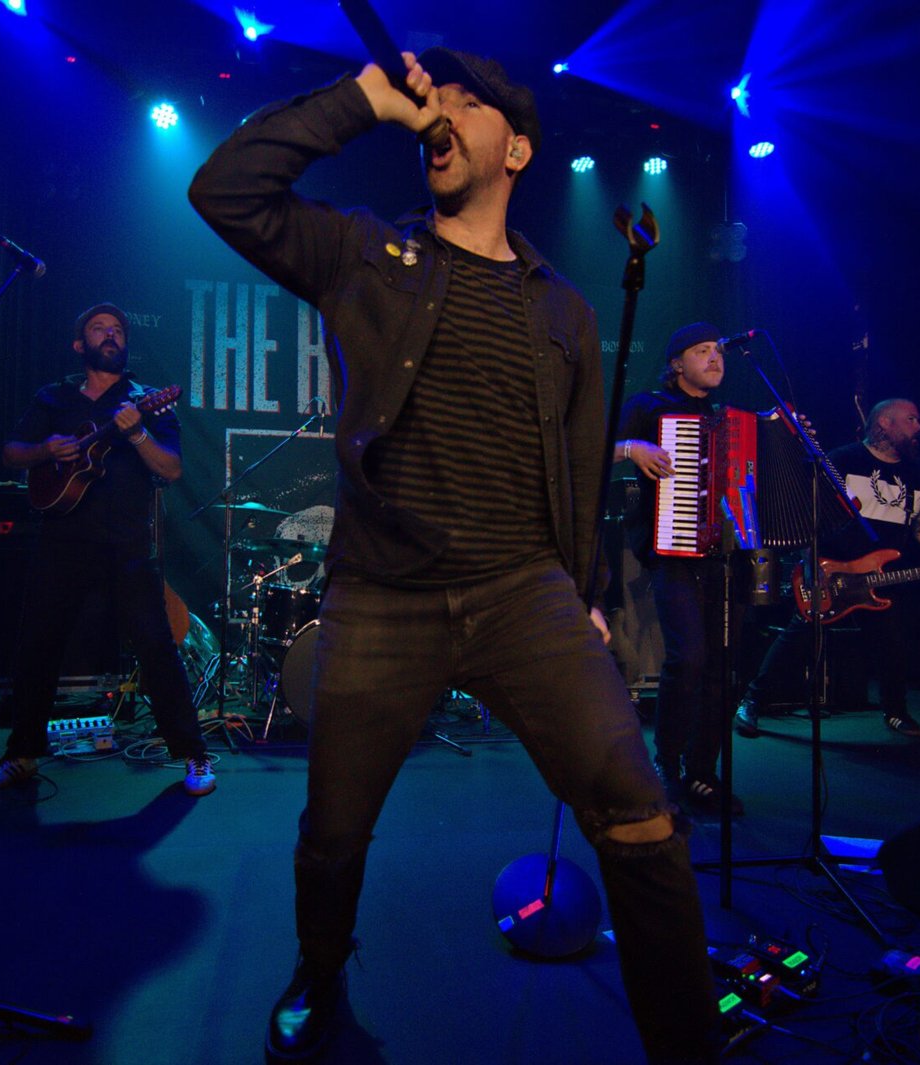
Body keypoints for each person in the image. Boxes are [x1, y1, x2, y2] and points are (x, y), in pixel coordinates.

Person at [190, 49, 724, 1064]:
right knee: (333, 832)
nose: (437, 112)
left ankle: (687, 1042)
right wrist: (359, 102)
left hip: (525, 594)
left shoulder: (564, 309)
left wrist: (584, 592)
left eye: (464, 103)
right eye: (431, 100)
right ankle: (319, 973)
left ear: (515, 149)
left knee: (639, 813)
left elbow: (577, 471)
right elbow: (226, 190)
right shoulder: (365, 255)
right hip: (382, 596)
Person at [0, 303, 214, 797]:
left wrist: (137, 432)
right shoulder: (54, 397)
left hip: (128, 542)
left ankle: (193, 753)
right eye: (99, 328)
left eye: (118, 329)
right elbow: (12, 452)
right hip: (62, 539)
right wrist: (46, 450)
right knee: (38, 646)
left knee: (156, 646)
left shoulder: (147, 401)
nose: (111, 334)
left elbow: (170, 469)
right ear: (80, 345)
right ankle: (21, 756)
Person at [734, 398, 920, 740]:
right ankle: (752, 701)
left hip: (882, 577)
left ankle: (896, 711)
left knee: (892, 644)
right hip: (833, 572)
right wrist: (812, 564)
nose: (919, 426)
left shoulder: (915, 473)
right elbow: (806, 515)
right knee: (798, 638)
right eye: (911, 419)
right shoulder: (842, 460)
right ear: (885, 422)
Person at [615, 323, 747, 816]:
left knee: (724, 668)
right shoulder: (650, 406)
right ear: (676, 363)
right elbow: (587, 448)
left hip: (726, 557)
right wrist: (633, 448)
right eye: (702, 351)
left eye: (719, 351)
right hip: (672, 552)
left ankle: (702, 770)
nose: (715, 358)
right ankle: (667, 762)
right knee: (689, 658)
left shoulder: (730, 418)